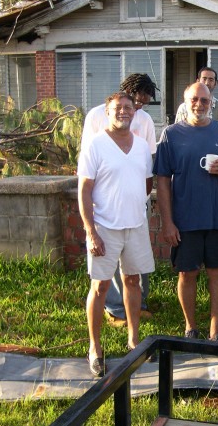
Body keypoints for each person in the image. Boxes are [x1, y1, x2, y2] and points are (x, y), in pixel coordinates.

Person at [154, 82, 218, 341]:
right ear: (185, 101)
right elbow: (161, 181)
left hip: (217, 218)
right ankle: (190, 328)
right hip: (185, 220)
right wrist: (167, 222)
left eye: (204, 101)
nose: (199, 105)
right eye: (194, 99)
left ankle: (215, 331)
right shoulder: (171, 134)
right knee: (187, 273)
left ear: (211, 103)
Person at [77, 92, 155, 376]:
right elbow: (84, 190)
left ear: (135, 112)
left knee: (133, 282)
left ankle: (133, 341)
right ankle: (95, 348)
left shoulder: (143, 147)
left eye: (128, 108)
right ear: (106, 112)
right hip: (104, 227)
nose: (123, 111)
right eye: (117, 108)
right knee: (100, 287)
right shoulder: (95, 146)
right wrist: (91, 231)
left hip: (135, 226)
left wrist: (130, 204)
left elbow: (147, 185)